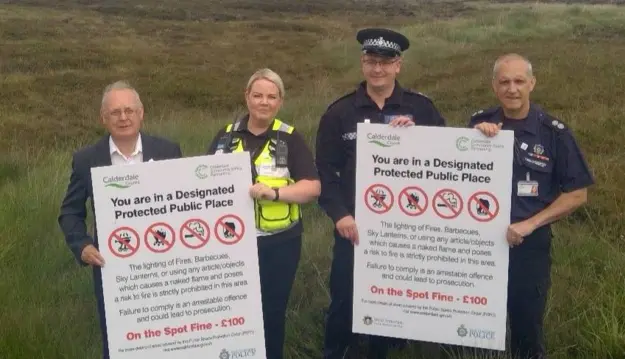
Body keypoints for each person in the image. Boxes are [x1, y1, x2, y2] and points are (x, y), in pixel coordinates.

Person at [315, 28, 447, 359]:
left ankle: (392, 347)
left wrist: (417, 139)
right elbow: (324, 173)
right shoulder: (339, 113)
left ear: (398, 66)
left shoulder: (422, 109)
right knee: (345, 295)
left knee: (398, 293)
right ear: (362, 64)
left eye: (385, 63)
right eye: (371, 62)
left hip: (406, 230)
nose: (378, 70)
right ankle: (339, 351)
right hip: (354, 227)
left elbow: (446, 163)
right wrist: (340, 215)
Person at [470, 53, 595, 359]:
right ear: (494, 86)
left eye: (519, 81)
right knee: (475, 322)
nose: (512, 89)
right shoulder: (477, 123)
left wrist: (530, 224)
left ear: (532, 84)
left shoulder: (554, 133)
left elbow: (577, 194)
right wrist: (476, 139)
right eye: (504, 82)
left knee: (526, 326)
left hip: (528, 244)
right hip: (478, 244)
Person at [57, 80, 182, 359]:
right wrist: (82, 245)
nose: (123, 118)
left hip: (166, 267)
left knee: (169, 339)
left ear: (141, 113)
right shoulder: (86, 159)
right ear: (103, 118)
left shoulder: (168, 151)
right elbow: (70, 212)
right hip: (113, 270)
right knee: (119, 343)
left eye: (129, 110)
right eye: (115, 112)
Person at [206, 68, 321, 359]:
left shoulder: (291, 139)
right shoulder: (225, 137)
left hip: (279, 243)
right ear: (247, 97)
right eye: (257, 95)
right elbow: (204, 183)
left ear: (280, 101)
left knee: (271, 311)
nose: (264, 102)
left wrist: (276, 193)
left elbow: (313, 187)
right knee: (232, 311)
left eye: (271, 96)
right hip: (231, 244)